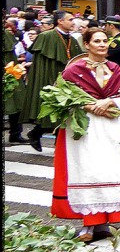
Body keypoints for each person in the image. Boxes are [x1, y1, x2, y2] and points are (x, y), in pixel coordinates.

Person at [50, 28, 120, 242]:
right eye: (97, 41)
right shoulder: (74, 70)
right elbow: (62, 97)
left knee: (110, 170)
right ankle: (89, 223)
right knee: (89, 170)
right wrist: (88, 105)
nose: (103, 44)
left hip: (112, 125)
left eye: (105, 41)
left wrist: (108, 102)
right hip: (86, 127)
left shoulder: (114, 68)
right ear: (87, 44)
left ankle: (104, 222)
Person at [24, 10, 84, 151]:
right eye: (69, 19)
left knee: (64, 114)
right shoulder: (46, 36)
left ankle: (56, 145)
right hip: (50, 78)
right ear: (60, 21)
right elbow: (41, 65)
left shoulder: (73, 39)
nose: (72, 22)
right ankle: (37, 134)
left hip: (67, 80)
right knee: (53, 112)